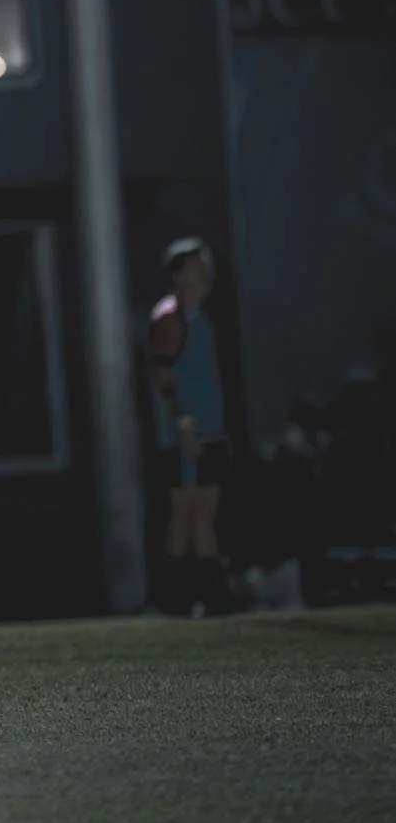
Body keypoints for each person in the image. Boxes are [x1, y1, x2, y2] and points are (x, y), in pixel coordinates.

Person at [148, 236, 237, 617]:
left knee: (205, 513)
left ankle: (211, 596)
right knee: (183, 512)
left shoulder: (204, 319)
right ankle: (175, 598)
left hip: (212, 428)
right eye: (193, 268)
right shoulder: (171, 318)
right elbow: (163, 374)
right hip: (184, 432)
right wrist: (181, 420)